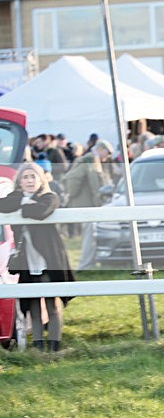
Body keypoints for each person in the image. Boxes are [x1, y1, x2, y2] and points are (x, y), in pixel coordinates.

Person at [0, 163, 75, 351]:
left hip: (48, 260)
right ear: (19, 181)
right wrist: (24, 203)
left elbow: (42, 211)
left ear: (41, 179)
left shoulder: (49, 197)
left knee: (51, 303)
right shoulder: (16, 197)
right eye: (25, 177)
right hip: (27, 260)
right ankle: (38, 345)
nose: (29, 180)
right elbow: (3, 205)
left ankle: (54, 344)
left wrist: (24, 208)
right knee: (32, 304)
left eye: (33, 176)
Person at [62, 140, 113, 270]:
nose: (107, 157)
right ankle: (85, 265)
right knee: (88, 235)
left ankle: (90, 262)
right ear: (100, 149)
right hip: (85, 204)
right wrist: (71, 194)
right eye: (107, 153)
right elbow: (73, 178)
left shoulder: (93, 161)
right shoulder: (87, 160)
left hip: (91, 204)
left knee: (92, 234)